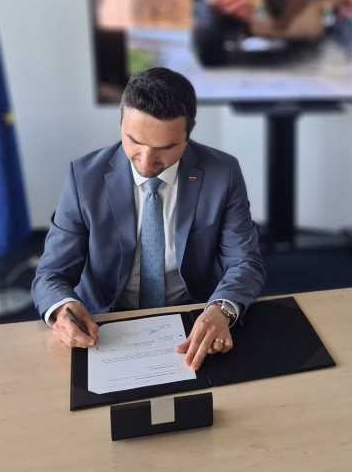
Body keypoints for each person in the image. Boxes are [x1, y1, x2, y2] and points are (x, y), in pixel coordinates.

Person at [32, 67, 265, 370]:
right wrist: (64, 308)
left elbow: (245, 262)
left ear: (189, 131)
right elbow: (50, 274)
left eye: (164, 148)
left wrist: (221, 309)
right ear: (121, 122)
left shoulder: (223, 173)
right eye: (134, 141)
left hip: (194, 317)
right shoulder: (84, 178)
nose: (145, 161)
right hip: (107, 323)